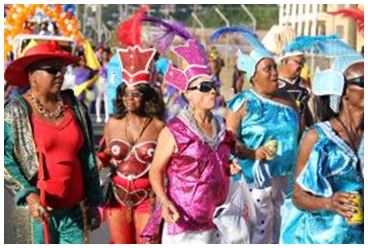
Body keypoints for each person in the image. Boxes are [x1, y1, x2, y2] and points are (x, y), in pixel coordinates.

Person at [4, 42, 102, 244]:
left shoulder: (75, 106)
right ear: (32, 76)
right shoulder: (16, 110)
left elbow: (88, 156)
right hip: (35, 215)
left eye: (62, 69)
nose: (59, 75)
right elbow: (4, 159)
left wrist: (93, 201)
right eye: (52, 70)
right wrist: (29, 196)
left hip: (75, 211)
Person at [147, 38, 240, 244]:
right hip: (184, 224)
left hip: (219, 222)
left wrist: (229, 165)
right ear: (188, 94)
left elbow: (224, 155)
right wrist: (164, 202)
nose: (213, 91)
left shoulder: (221, 125)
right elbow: (155, 170)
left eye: (213, 85)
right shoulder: (174, 131)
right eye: (205, 87)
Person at [212, 26, 300, 244]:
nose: (274, 73)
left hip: (287, 179)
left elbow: (301, 135)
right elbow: (229, 141)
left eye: (274, 67)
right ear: (253, 76)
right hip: (255, 180)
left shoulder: (289, 100)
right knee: (257, 232)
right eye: (267, 69)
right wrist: (253, 153)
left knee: (281, 230)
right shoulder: (243, 103)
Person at [96, 8, 165, 244]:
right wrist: (97, 161)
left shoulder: (159, 127)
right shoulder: (113, 124)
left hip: (149, 199)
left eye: (136, 94)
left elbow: (168, 165)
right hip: (116, 198)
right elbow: (104, 154)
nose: (129, 99)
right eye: (125, 94)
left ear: (147, 96)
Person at [280, 51, 364, 244]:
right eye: (362, 82)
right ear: (343, 92)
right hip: (322, 238)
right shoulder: (317, 137)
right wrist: (329, 202)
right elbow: (298, 196)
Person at [277, 44, 314, 131]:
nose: (302, 66)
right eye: (298, 62)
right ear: (284, 61)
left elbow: (307, 112)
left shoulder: (304, 85)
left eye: (303, 63)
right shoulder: (273, 83)